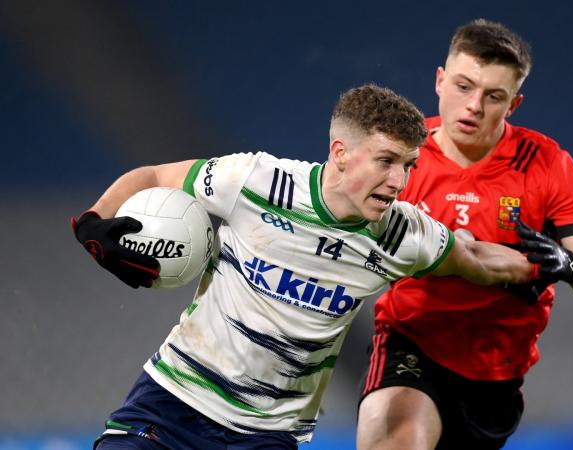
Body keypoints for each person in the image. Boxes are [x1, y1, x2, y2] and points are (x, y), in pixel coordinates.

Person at [71, 84, 538, 449]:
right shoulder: (256, 181)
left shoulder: (403, 235)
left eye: (409, 165)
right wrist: (94, 222)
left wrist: (541, 267)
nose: (398, 181)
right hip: (172, 402)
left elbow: (472, 257)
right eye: (386, 161)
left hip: (268, 436)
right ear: (340, 153)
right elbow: (154, 177)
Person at [356, 20, 573, 450]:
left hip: (495, 376)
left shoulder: (546, 165)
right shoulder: (399, 156)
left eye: (493, 97)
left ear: (514, 104)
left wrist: (571, 269)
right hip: (410, 345)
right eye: (463, 87)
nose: (473, 106)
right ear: (439, 81)